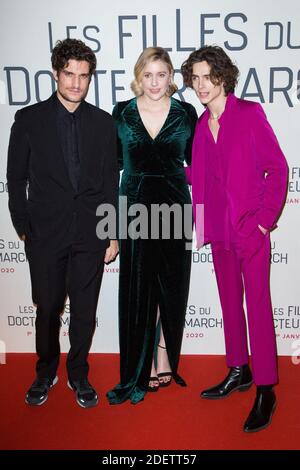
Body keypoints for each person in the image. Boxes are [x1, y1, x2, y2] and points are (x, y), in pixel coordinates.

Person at [7, 38, 119, 408]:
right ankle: (45, 371)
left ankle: (79, 374)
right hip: (45, 234)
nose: (75, 83)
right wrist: (23, 227)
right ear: (56, 73)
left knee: (85, 310)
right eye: (69, 74)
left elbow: (108, 184)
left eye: (83, 76)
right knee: (48, 307)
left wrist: (111, 233)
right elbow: (15, 178)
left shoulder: (104, 124)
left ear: (90, 79)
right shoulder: (28, 120)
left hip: (90, 234)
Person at [181, 45, 288, 432]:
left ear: (223, 76)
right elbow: (199, 175)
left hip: (250, 230)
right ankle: (238, 369)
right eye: (195, 77)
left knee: (258, 307)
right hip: (219, 230)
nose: (201, 84)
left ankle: (266, 389)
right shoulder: (198, 124)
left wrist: (263, 222)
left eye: (207, 76)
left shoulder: (248, 114)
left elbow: (277, 170)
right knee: (230, 304)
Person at [106, 47, 198, 405]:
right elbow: (110, 170)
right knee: (138, 289)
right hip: (133, 210)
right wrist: (111, 228)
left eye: (161, 75)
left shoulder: (186, 113)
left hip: (176, 206)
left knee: (170, 287)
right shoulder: (121, 113)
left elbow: (202, 166)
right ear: (138, 77)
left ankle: (163, 356)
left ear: (170, 77)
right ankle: (137, 369)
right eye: (148, 75)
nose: (155, 82)